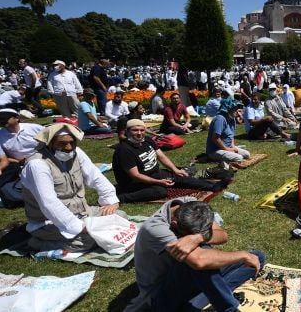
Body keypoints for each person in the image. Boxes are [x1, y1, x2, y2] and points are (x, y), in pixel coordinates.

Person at [124, 198, 265, 312]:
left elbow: (222, 235)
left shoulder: (193, 205)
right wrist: (241, 255)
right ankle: (228, 307)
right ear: (174, 224)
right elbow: (199, 262)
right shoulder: (156, 229)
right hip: (161, 294)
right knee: (201, 258)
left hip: (189, 280)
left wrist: (197, 238)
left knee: (256, 257)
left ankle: (199, 301)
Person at [20, 123, 125, 251]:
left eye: (72, 142)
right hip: (49, 222)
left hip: (82, 213)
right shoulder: (37, 165)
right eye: (62, 143)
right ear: (49, 143)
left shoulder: (77, 153)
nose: (69, 147)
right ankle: (37, 242)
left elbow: (95, 176)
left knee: (120, 216)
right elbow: (49, 204)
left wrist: (110, 200)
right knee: (87, 241)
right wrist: (80, 227)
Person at [113, 119, 226, 203]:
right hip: (134, 183)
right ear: (127, 132)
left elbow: (161, 156)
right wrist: (158, 182)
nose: (139, 133)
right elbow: (135, 176)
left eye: (142, 130)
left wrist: (175, 170)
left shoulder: (147, 140)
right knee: (160, 191)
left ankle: (212, 186)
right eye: (135, 130)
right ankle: (121, 198)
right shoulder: (124, 149)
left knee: (179, 175)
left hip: (154, 173)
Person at [206, 100, 250, 164]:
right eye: (235, 109)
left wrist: (233, 146)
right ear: (228, 109)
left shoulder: (232, 119)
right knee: (239, 158)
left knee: (247, 154)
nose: (237, 111)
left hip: (227, 147)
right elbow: (215, 138)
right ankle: (212, 158)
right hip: (215, 150)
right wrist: (227, 149)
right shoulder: (220, 119)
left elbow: (231, 136)